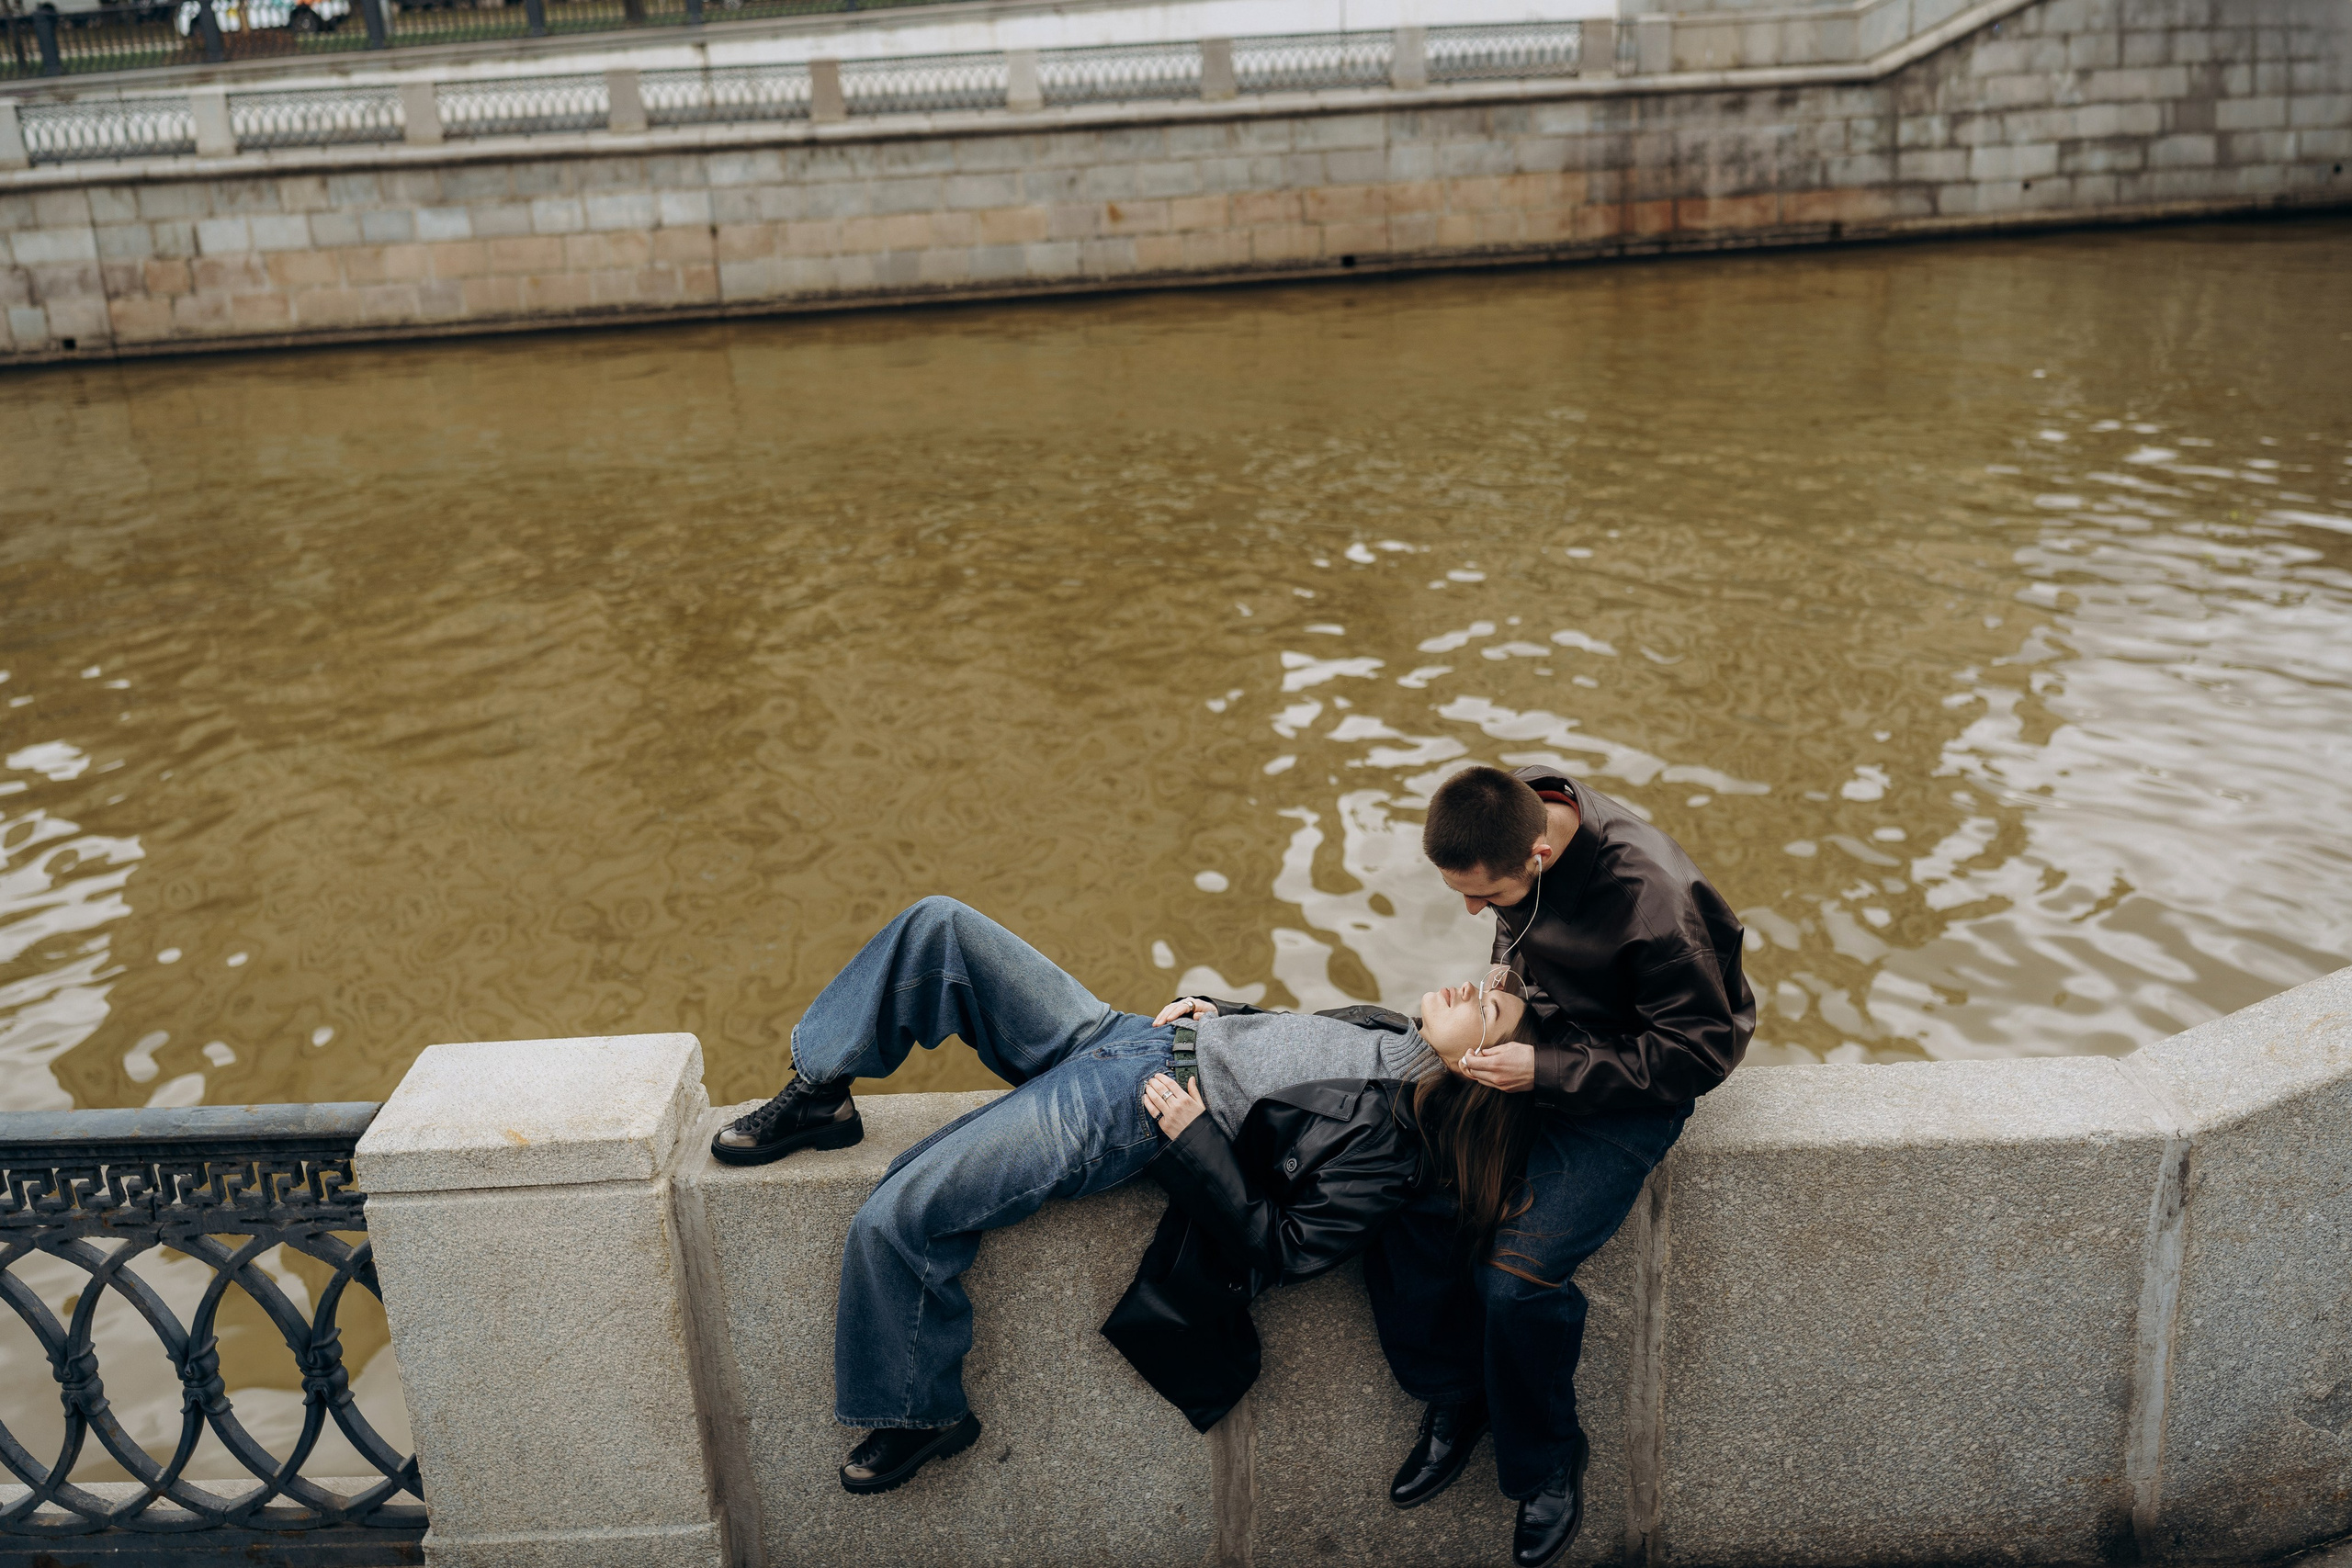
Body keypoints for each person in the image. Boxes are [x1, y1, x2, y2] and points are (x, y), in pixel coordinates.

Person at [708, 895, 1535, 1495]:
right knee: (940, 927)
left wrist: (1194, 1137)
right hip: (1126, 1032)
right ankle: (820, 1089)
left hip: (1127, 1110)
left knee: (897, 1212)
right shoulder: (1391, 1029)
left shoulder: (1391, 1143)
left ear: (1485, 1067)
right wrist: (1217, 1010)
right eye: (1487, 983)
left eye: (1490, 1010)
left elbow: (1291, 1246)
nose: (1471, 987)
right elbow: (1281, 1036)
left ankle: (921, 1409)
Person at [1367, 763, 1754, 1568]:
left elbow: (1700, 1051)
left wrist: (1546, 1070)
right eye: (1459, 892)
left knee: (1515, 1279)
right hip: (1544, 1039)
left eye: (1485, 894)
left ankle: (1546, 1464)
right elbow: (1517, 924)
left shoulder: (1652, 900)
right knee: (1403, 1193)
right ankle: (1456, 1394)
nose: (1472, 909)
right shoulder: (1517, 817)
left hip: (1631, 1089)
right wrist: (1500, 997)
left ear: (1539, 855)